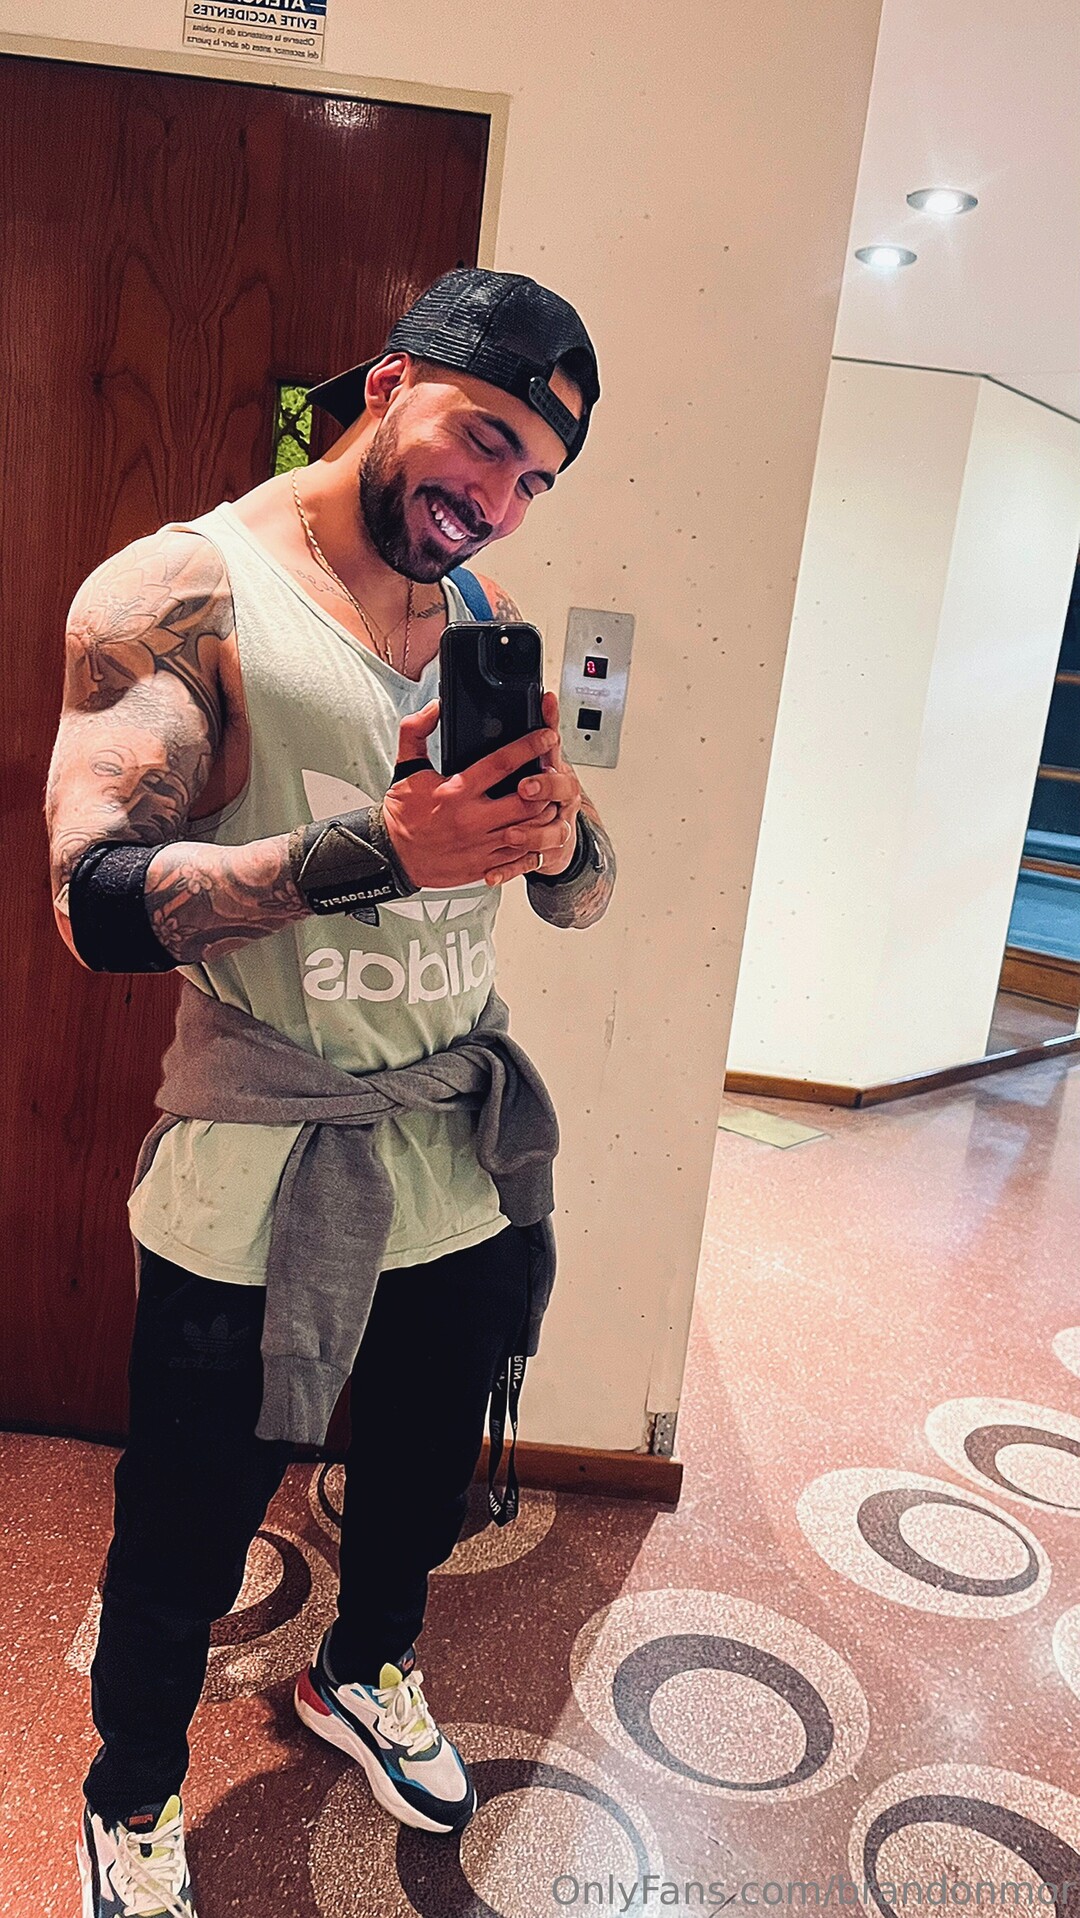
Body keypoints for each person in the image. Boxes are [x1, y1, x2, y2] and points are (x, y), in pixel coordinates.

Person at [44, 268, 616, 1918]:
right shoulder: (181, 588)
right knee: (189, 1520)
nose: (497, 498)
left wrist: (556, 826)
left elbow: (581, 895)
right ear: (388, 383)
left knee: (425, 1475)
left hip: (454, 1142)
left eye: (534, 479)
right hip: (261, 1150)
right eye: (483, 439)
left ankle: (362, 1669)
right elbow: (92, 901)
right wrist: (378, 849)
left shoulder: (481, 608)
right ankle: (130, 1793)